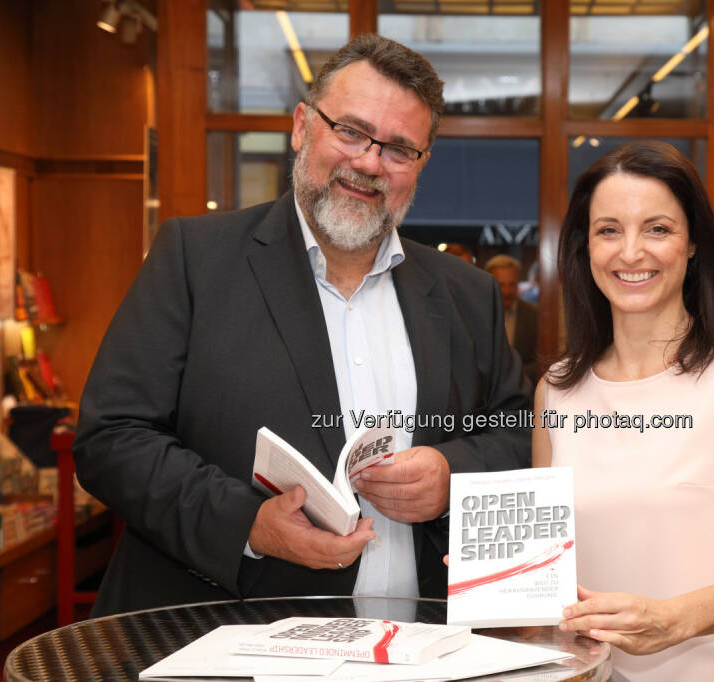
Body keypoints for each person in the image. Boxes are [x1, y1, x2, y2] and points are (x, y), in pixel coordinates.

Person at [73, 34, 531, 617]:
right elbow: (112, 437)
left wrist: (450, 476)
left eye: (397, 148)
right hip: (224, 641)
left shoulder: (469, 294)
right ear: (301, 126)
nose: (368, 162)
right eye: (350, 131)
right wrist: (251, 525)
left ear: (420, 165)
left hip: (426, 652)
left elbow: (518, 436)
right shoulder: (194, 259)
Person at [532, 141, 714, 681]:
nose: (631, 252)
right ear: (584, 247)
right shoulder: (556, 391)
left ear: (691, 246)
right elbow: (553, 564)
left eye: (658, 229)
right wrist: (503, 575)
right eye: (609, 230)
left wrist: (673, 619)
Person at [484, 254, 538, 385]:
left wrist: (512, 376)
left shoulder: (534, 314)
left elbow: (542, 360)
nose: (507, 291)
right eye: (501, 285)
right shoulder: (477, 313)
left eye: (511, 284)